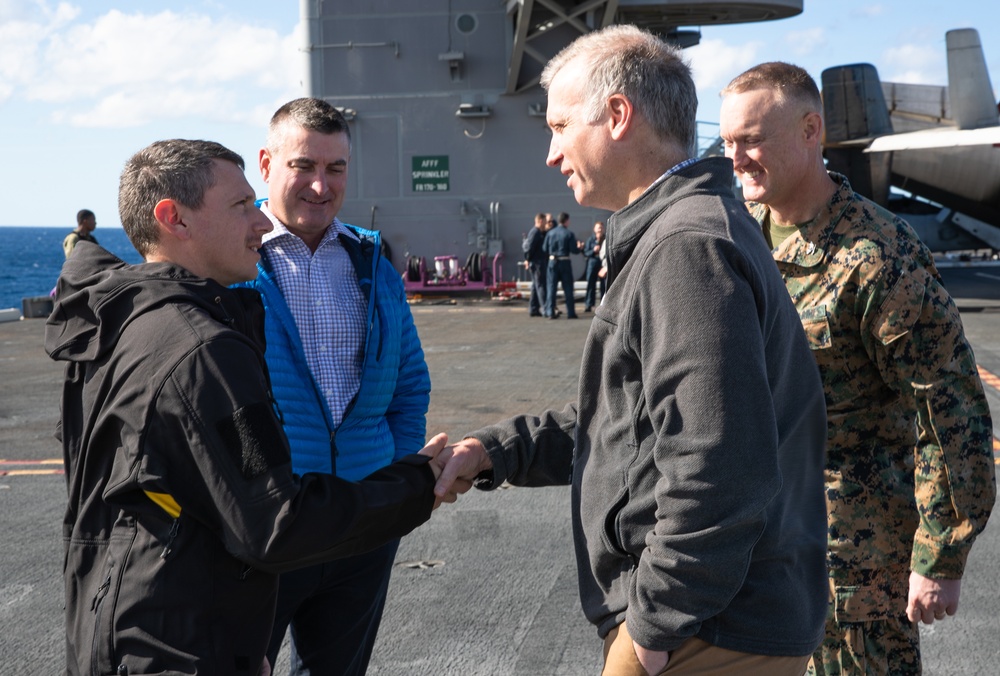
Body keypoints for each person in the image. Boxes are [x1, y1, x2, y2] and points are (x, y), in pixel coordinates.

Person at [433, 25, 829, 675]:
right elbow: (637, 422)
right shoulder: (692, 230)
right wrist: (498, 451)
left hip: (707, 631)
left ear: (618, 116)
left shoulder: (686, 247)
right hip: (716, 622)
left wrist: (651, 629)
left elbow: (721, 465)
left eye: (559, 126)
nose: (551, 153)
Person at [44, 139, 455, 676]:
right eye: (241, 206)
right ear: (175, 219)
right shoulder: (204, 350)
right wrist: (417, 482)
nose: (261, 223)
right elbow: (275, 523)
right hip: (181, 649)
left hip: (121, 621)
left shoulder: (119, 323)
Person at [719, 62, 997, 676]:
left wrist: (940, 554)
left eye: (752, 140)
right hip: (764, 553)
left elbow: (947, 408)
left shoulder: (876, 257)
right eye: (728, 142)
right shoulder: (746, 240)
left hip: (857, 567)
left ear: (811, 129)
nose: (735, 157)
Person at [238, 97, 433, 675]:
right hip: (271, 523)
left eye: (336, 169)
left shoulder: (369, 260)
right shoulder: (234, 260)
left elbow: (409, 384)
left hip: (361, 520)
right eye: (304, 166)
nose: (321, 186)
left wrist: (390, 481)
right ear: (267, 164)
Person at [543, 211, 581, 318]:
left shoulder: (550, 233)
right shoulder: (569, 234)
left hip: (552, 262)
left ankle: (550, 312)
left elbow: (544, 248)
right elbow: (574, 250)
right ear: (567, 221)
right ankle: (571, 313)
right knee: (568, 288)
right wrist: (579, 248)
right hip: (564, 262)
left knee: (551, 288)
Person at [523, 212, 551, 316]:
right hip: (537, 263)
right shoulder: (535, 232)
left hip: (537, 262)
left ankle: (533, 308)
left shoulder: (539, 232)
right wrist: (528, 259)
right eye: (544, 221)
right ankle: (545, 309)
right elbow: (529, 247)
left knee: (535, 286)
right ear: (540, 221)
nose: (546, 223)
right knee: (541, 285)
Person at [582, 220, 605, 311]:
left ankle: (603, 305)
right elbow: (586, 252)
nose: (600, 229)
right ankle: (589, 304)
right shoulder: (590, 240)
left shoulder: (606, 239)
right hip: (592, 262)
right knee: (591, 284)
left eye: (601, 227)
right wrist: (593, 251)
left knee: (604, 285)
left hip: (602, 264)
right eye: (598, 227)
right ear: (594, 229)